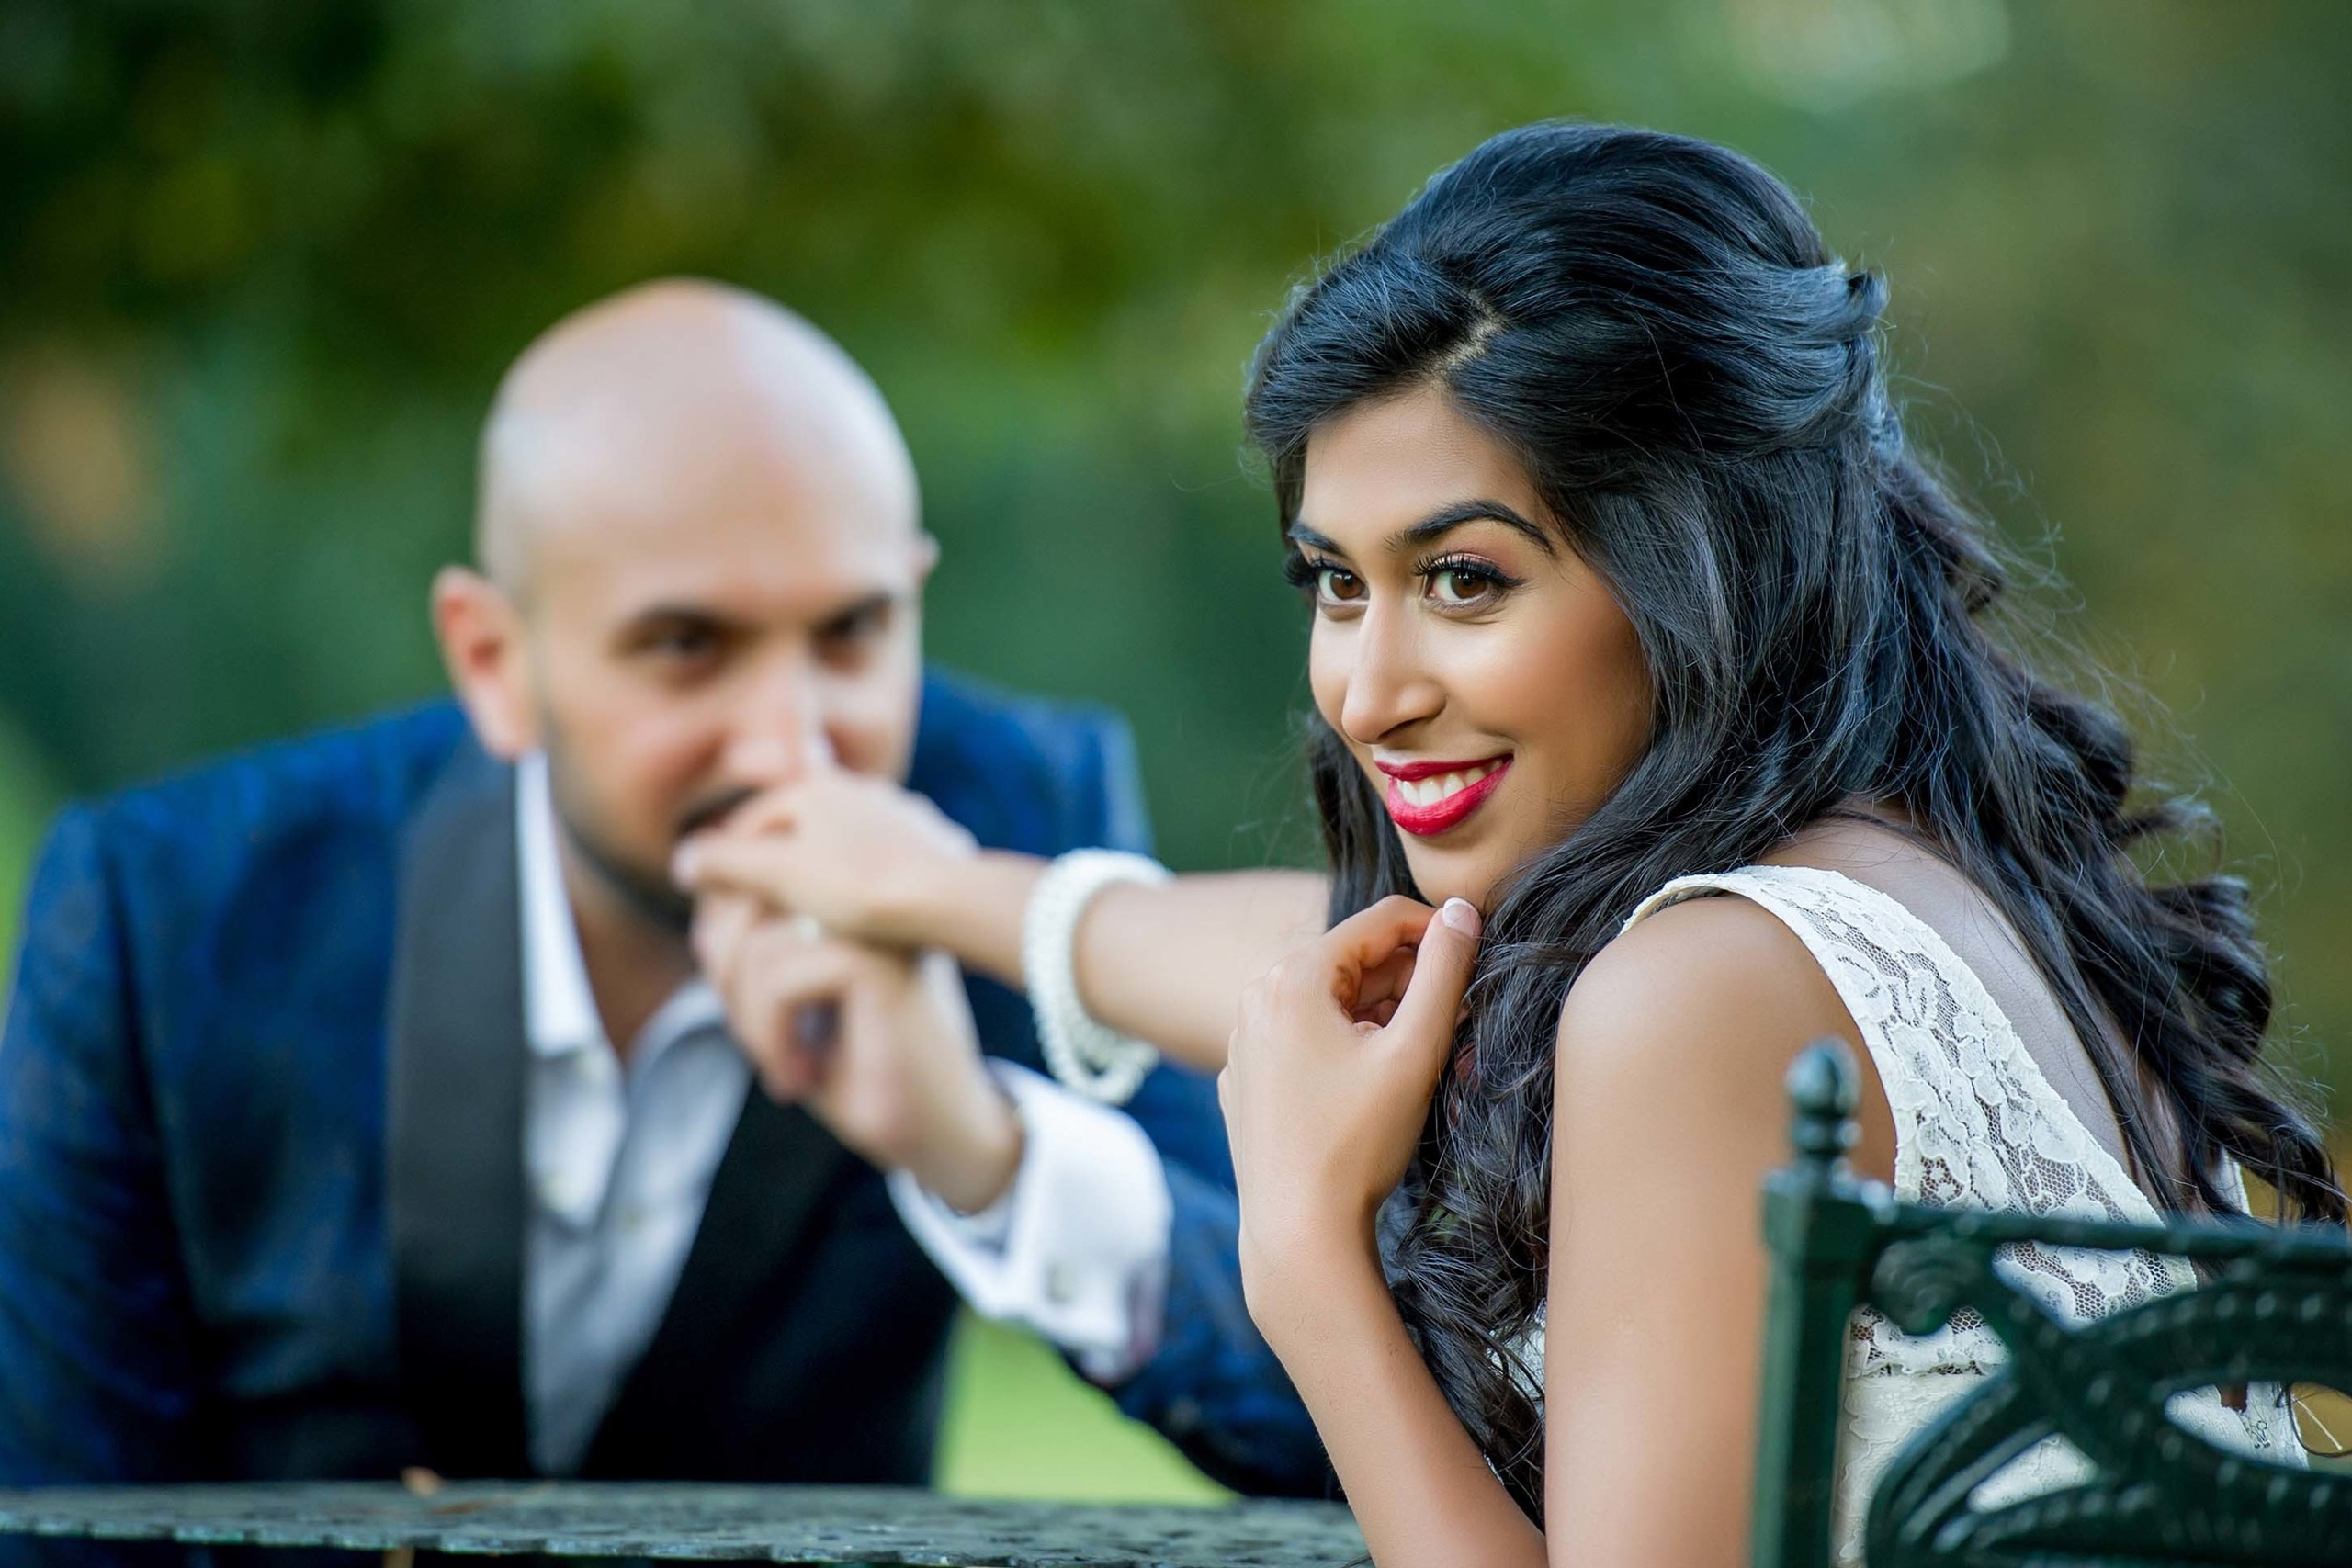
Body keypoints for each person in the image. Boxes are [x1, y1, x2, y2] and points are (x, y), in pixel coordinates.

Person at [673, 125, 2344, 1566]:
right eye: (1338, 583)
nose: (1369, 690)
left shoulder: (1703, 991)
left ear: (1697, 564)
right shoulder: (1921, 887)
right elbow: (1317, 972)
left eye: (1466, 578)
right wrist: (912, 884)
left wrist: (1306, 1269)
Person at [0, 279, 1324, 1521]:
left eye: (853, 633)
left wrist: (983, 1150)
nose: (789, 745)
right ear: (493, 659)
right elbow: (59, 1521)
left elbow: (1331, 1428)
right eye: (688, 647)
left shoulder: (1020, 820)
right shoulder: (161, 915)